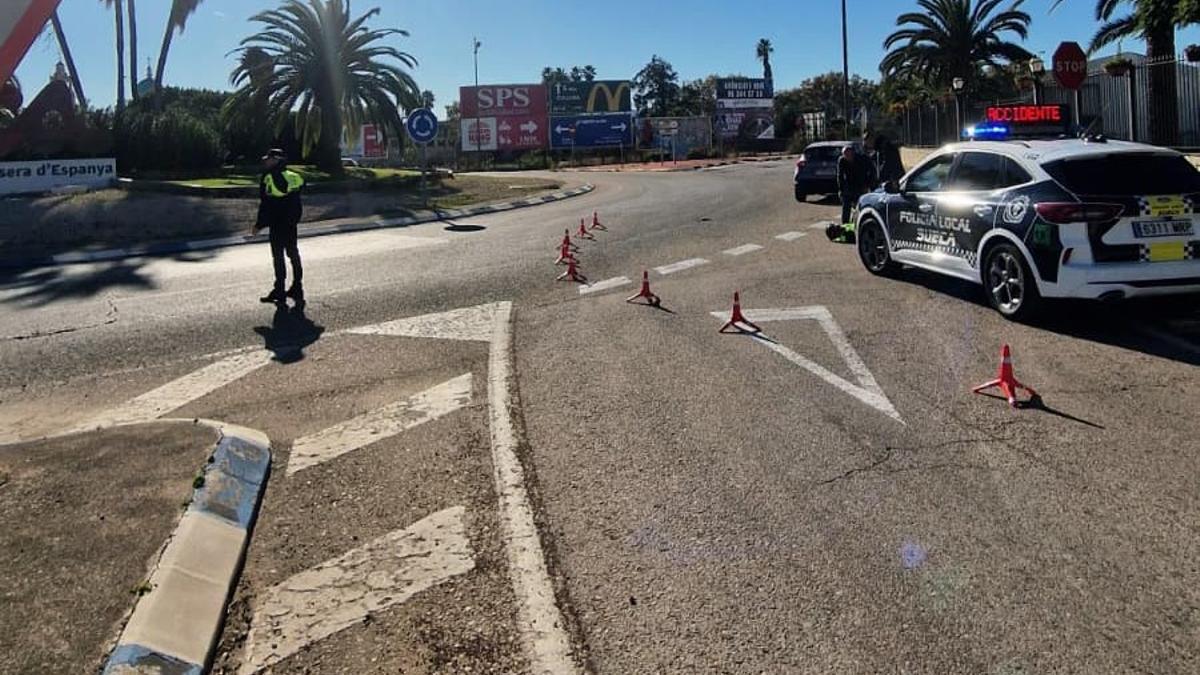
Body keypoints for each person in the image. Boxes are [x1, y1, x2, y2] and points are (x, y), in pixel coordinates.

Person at [251, 149, 305, 305]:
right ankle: (297, 287)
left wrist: (259, 225)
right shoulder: (294, 177)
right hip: (291, 224)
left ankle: (279, 290)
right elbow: (299, 195)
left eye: (268, 159)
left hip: (277, 224)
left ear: (276, 160)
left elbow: (266, 204)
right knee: (293, 254)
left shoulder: (268, 178)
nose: (266, 162)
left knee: (278, 257)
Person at [829, 145, 869, 243]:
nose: (848, 157)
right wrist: (841, 190)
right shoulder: (841, 161)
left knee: (859, 209)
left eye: (849, 155)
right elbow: (840, 176)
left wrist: (866, 186)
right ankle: (847, 232)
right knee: (845, 211)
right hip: (848, 188)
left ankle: (860, 229)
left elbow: (866, 173)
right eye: (845, 155)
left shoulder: (860, 160)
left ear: (853, 153)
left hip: (859, 186)